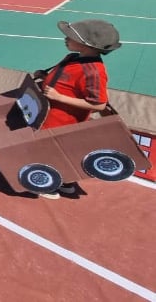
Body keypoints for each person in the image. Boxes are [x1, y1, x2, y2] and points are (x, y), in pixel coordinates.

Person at [35, 18, 121, 199]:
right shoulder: (74, 57)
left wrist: (60, 97)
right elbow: (64, 78)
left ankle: (50, 184)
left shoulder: (93, 71)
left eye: (70, 37)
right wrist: (44, 77)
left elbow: (99, 104)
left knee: (51, 151)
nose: (65, 38)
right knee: (53, 149)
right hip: (49, 115)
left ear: (85, 44)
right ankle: (65, 181)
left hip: (63, 121)